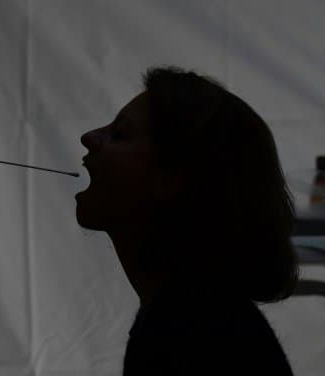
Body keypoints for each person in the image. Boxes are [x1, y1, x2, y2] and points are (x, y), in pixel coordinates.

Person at [76, 67, 297, 375]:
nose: (88, 137)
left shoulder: (194, 334)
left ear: (169, 179)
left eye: (119, 134)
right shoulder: (198, 314)